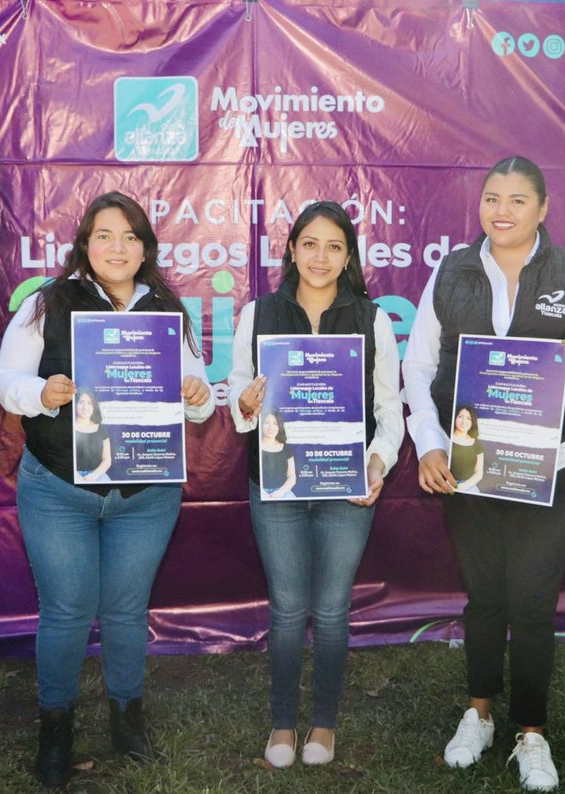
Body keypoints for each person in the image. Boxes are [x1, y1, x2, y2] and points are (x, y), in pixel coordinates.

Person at [402, 156, 565, 791]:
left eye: (518, 200)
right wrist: (430, 444)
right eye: (492, 198)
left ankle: (531, 731)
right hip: (468, 465)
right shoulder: (450, 271)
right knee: (484, 597)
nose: (502, 210)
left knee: (532, 599)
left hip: (550, 464)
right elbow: (418, 368)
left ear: (543, 208)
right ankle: (478, 714)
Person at [0, 191, 214, 787]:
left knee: (125, 610)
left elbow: (198, 394)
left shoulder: (167, 310)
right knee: (65, 612)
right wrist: (41, 393)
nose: (118, 247)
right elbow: (4, 378)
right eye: (105, 235)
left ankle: (126, 720)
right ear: (85, 244)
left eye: (131, 237)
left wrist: (197, 396)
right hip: (59, 487)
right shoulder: (46, 303)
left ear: (146, 248)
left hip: (145, 495)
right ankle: (55, 732)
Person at [229, 201, 404, 768]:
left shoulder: (372, 319)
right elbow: (238, 404)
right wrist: (247, 403)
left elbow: (388, 409)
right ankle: (283, 723)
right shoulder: (257, 315)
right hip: (276, 485)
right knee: (286, 608)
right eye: (310, 244)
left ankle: (323, 724)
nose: (320, 257)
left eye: (333, 246)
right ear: (292, 250)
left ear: (348, 255)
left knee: (330, 610)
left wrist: (378, 463)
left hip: (346, 486)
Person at [73, 387, 112, 482]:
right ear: (75, 404)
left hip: (96, 474)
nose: (85, 408)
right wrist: (75, 475)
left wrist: (94, 475)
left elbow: (107, 460)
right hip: (71, 473)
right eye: (81, 402)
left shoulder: (101, 429)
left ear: (94, 406)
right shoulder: (68, 426)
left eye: (90, 403)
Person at [258, 409, 296, 498]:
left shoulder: (286, 448)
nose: (270, 427)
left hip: (282, 491)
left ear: (279, 427)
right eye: (267, 422)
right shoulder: (256, 447)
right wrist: (263, 493)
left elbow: (292, 477)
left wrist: (280, 492)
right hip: (260, 492)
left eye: (275, 424)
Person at [449, 404, 484, 493]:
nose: (464, 422)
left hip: (467, 486)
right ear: (455, 417)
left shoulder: (476, 443)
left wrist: (465, 486)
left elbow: (479, 473)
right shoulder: (447, 438)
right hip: (447, 483)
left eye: (469, 418)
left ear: (473, 422)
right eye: (460, 417)